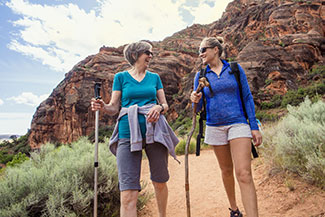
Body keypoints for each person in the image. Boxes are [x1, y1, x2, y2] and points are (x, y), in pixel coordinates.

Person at [91, 40, 179, 217]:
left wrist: (159, 107)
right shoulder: (121, 77)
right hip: (127, 134)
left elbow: (165, 104)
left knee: (160, 182)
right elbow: (114, 107)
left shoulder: (155, 77)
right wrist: (102, 106)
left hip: (155, 133)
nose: (151, 56)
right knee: (128, 193)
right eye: (147, 52)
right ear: (135, 55)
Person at [190, 37, 262, 217]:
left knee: (243, 173)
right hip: (214, 126)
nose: (201, 54)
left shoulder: (235, 69)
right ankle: (234, 209)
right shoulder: (201, 75)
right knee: (226, 170)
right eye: (199, 51)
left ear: (215, 49)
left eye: (203, 49)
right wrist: (194, 101)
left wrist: (253, 126)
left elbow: (247, 97)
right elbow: (198, 109)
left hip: (238, 123)